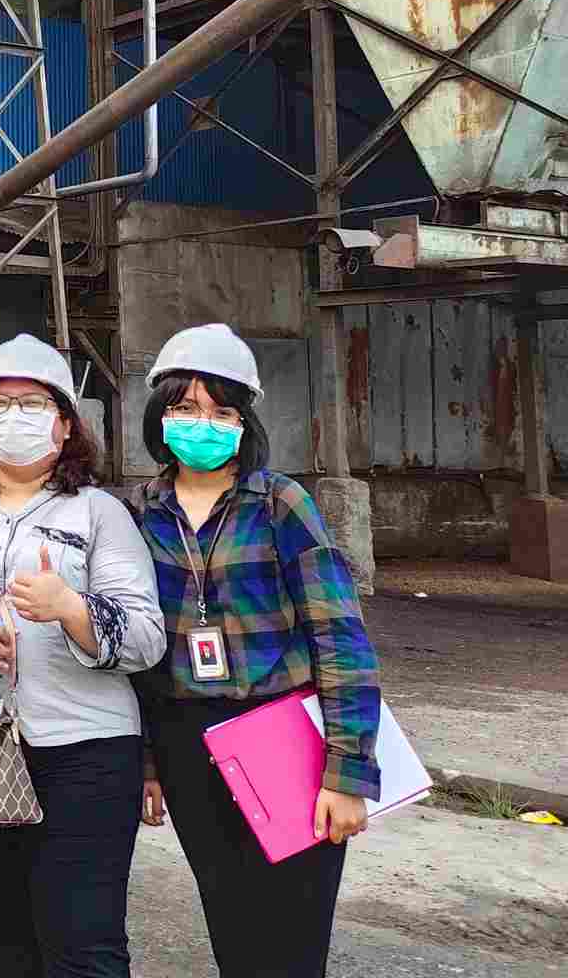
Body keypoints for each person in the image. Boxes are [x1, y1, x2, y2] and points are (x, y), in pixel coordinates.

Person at [0, 334, 165, 978]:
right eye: (0, 403)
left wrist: (71, 607)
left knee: (84, 942)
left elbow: (146, 636)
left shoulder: (100, 512)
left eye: (34, 404)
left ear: (65, 424)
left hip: (87, 752)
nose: (14, 416)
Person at [130, 323, 382, 978]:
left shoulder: (280, 504)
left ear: (245, 424)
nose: (203, 424)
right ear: (160, 415)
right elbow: (140, 657)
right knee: (232, 927)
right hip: (186, 740)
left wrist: (347, 772)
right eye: (186, 407)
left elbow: (339, 635)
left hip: (281, 733)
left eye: (222, 412)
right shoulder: (140, 513)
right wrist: (149, 762)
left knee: (292, 938)